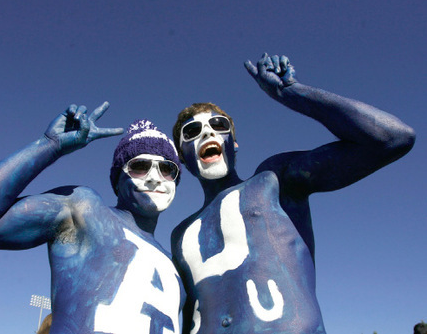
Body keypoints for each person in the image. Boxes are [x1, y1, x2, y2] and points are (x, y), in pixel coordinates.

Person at [170, 53, 415, 333]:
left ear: (234, 144)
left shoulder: (273, 179)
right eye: (192, 132)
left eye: (218, 126)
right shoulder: (181, 234)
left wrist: (290, 93)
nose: (206, 134)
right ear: (182, 157)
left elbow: (392, 138)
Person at [0, 103, 184, 334]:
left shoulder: (177, 270)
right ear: (117, 180)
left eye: (167, 169)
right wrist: (50, 146)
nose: (154, 177)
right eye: (140, 165)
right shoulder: (84, 209)